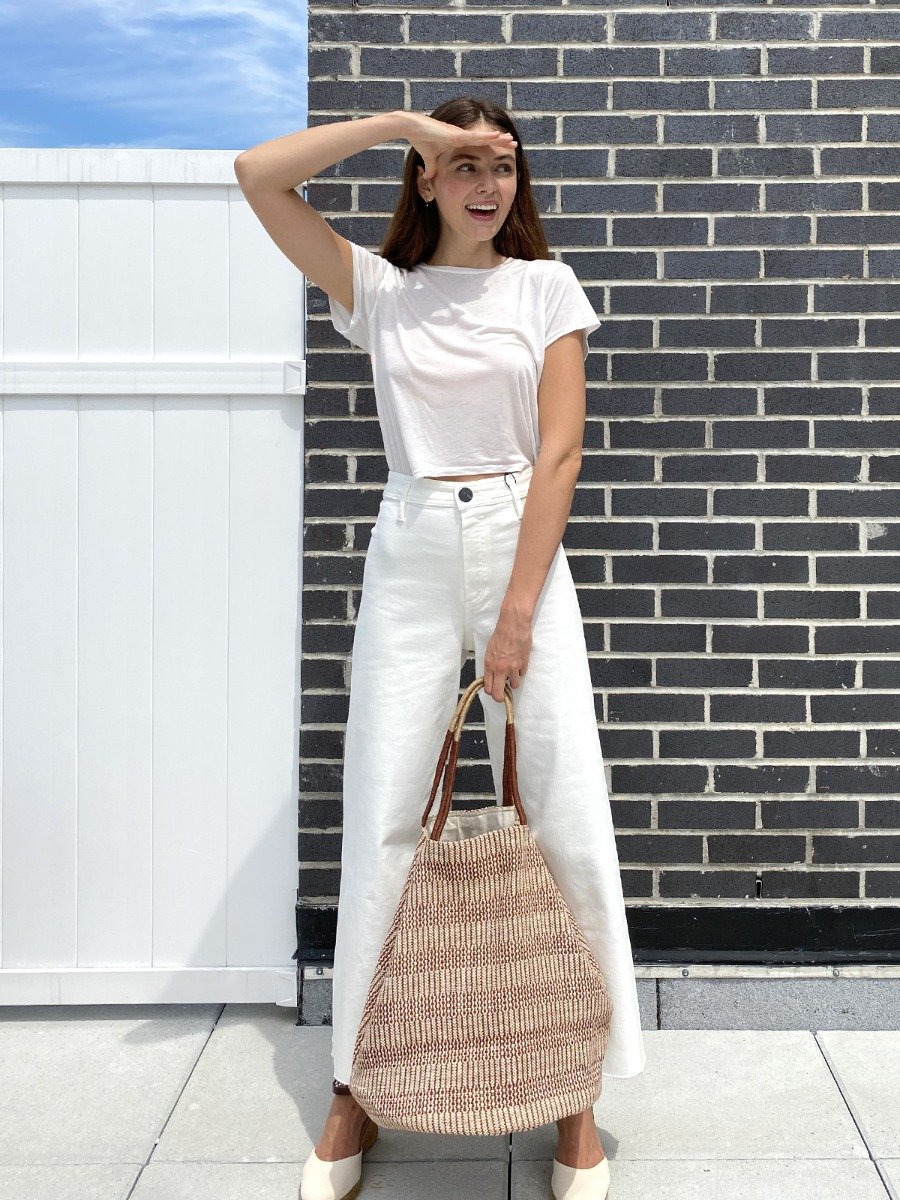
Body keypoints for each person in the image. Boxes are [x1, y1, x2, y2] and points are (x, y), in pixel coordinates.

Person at [235, 96, 646, 1200]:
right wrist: (392, 124)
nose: (484, 183)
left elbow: (559, 454)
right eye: (460, 163)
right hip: (413, 544)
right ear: (425, 177)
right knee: (384, 808)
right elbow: (257, 174)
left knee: (562, 801)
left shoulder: (545, 288)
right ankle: (355, 1090)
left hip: (522, 542)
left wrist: (516, 613)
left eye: (501, 165)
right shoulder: (382, 290)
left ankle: (576, 1101)